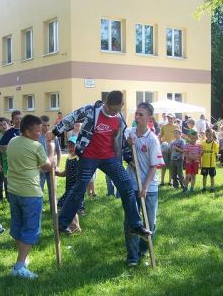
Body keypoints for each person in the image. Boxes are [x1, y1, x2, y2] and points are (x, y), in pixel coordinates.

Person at [47, 90, 151, 238]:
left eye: (117, 109)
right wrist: (55, 132)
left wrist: (129, 157)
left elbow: (121, 140)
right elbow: (72, 118)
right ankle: (62, 223)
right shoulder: (91, 110)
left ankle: (136, 225)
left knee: (126, 186)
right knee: (79, 187)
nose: (113, 112)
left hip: (110, 157)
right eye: (111, 109)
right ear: (106, 103)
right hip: (89, 156)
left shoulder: (119, 117)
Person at [7, 115, 53, 279]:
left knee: (19, 226)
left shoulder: (13, 141)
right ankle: (19, 267)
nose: (40, 133)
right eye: (37, 131)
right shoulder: (36, 146)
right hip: (30, 193)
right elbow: (48, 166)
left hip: (13, 190)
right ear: (26, 131)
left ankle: (22, 260)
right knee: (31, 229)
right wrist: (52, 151)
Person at [123, 102, 164, 267]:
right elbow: (123, 148)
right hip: (131, 185)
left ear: (149, 118)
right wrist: (128, 144)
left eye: (141, 114)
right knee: (130, 222)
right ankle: (132, 256)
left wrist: (145, 187)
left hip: (150, 187)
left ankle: (142, 250)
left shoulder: (153, 139)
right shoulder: (130, 133)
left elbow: (154, 166)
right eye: (136, 114)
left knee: (149, 223)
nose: (137, 117)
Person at [56, 135, 81, 233]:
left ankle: (74, 226)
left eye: (73, 145)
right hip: (69, 187)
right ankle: (75, 226)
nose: (70, 148)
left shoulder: (79, 158)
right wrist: (57, 173)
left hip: (76, 187)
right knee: (69, 206)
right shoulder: (68, 158)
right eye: (69, 145)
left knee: (66, 205)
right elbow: (65, 173)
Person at [0, 110, 23, 201]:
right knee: (13, 182)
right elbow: (0, 146)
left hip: (25, 162)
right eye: (17, 119)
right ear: (12, 120)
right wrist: (10, 151)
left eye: (21, 118)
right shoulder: (9, 132)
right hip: (13, 163)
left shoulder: (27, 130)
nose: (19, 120)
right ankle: (12, 200)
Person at [38, 115, 61, 208]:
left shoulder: (53, 136)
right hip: (40, 168)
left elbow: (59, 152)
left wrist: (58, 165)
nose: (46, 128)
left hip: (52, 168)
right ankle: (39, 208)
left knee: (52, 190)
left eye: (48, 125)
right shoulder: (37, 137)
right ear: (40, 125)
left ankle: (54, 209)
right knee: (39, 190)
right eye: (44, 125)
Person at [159, 113, 179, 186]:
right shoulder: (164, 126)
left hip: (173, 148)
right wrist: (160, 143)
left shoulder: (177, 126)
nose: (170, 119)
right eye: (168, 118)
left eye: (171, 118)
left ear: (174, 119)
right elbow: (160, 136)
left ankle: (170, 181)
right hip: (165, 148)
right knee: (163, 165)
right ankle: (162, 181)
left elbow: (179, 137)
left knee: (171, 165)